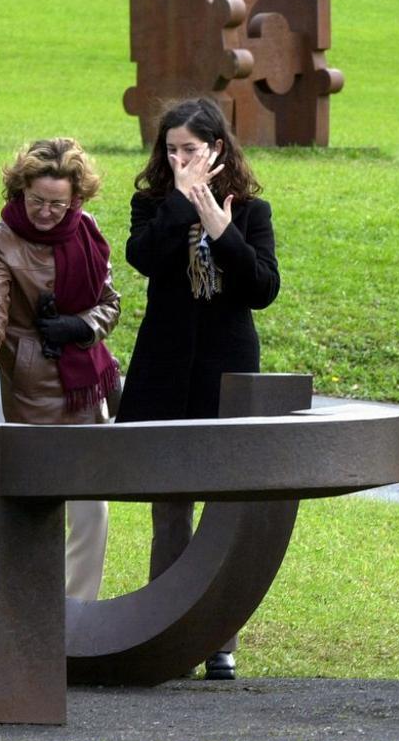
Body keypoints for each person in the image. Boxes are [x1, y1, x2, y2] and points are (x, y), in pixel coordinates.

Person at [116, 97, 280, 680]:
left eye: (191, 149)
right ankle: (166, 635)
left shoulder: (251, 209)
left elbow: (261, 289)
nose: (181, 158)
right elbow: (143, 258)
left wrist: (222, 228)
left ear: (217, 148)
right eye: (172, 149)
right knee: (170, 505)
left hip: (225, 370)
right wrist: (184, 207)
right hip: (165, 370)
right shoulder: (150, 204)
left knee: (223, 505)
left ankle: (219, 639)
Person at [0, 138, 120, 601]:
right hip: (28, 385)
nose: (46, 210)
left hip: (84, 386)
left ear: (76, 198)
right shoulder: (0, 238)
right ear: (20, 190)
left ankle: (77, 613)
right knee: (32, 506)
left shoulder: (88, 230)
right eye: (37, 200)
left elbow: (110, 304)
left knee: (91, 511)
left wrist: (78, 327)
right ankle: (27, 609)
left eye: (58, 203)